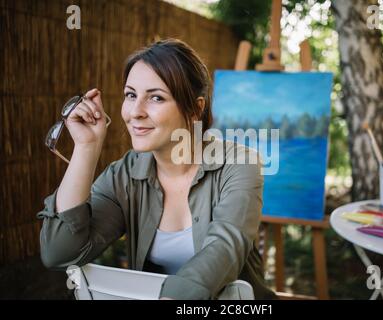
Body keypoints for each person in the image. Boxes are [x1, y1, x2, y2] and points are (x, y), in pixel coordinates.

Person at [37, 38, 277, 300]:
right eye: (131, 95)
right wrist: (86, 148)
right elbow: (58, 253)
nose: (135, 112)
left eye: (156, 97)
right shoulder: (125, 175)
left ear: (196, 109)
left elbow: (225, 249)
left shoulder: (239, 165)